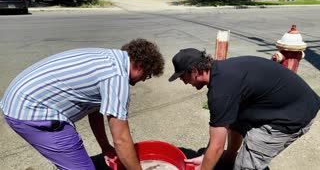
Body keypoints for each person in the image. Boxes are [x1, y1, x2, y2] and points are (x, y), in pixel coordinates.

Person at [0, 38, 165, 170]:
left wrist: (105, 147)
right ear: (139, 66)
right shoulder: (116, 77)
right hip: (30, 111)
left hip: (19, 99)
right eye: (147, 75)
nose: (144, 80)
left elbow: (95, 111)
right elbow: (121, 139)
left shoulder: (109, 58)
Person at [168, 48, 320, 170]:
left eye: (183, 77)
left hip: (293, 115)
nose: (184, 82)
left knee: (244, 166)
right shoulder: (222, 71)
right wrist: (205, 157)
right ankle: (230, 158)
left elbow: (217, 146)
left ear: (194, 71)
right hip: (293, 101)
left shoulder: (221, 92)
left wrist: (209, 159)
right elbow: (227, 124)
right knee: (234, 117)